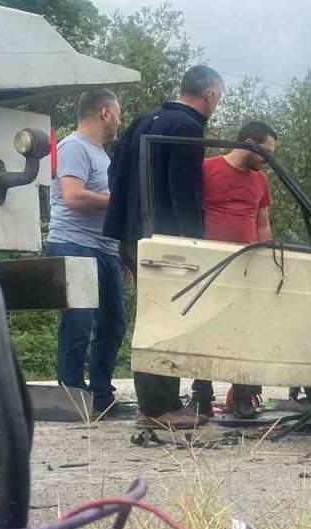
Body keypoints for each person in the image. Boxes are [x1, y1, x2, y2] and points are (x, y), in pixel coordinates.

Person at [104, 65, 223, 430]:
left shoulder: (143, 121)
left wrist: (124, 229)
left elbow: (113, 175)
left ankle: (153, 405)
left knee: (151, 319)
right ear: (211, 95)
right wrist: (195, 245)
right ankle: (160, 408)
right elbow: (184, 192)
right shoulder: (187, 128)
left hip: (130, 235)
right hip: (168, 244)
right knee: (168, 322)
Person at [46, 89, 126, 418]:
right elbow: (73, 197)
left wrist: (120, 251)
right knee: (79, 322)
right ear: (105, 113)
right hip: (73, 243)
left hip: (103, 248)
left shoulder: (102, 156)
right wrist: (122, 203)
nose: (120, 120)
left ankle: (101, 394)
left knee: (114, 322)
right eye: (118, 113)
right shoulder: (74, 147)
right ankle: (73, 395)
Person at [202, 121, 278, 418]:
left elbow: (262, 222)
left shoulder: (260, 181)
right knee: (206, 328)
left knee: (247, 330)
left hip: (247, 264)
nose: (267, 160)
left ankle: (244, 395)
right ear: (248, 143)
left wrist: (268, 259)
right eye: (265, 153)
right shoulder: (206, 169)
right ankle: (202, 395)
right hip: (211, 264)